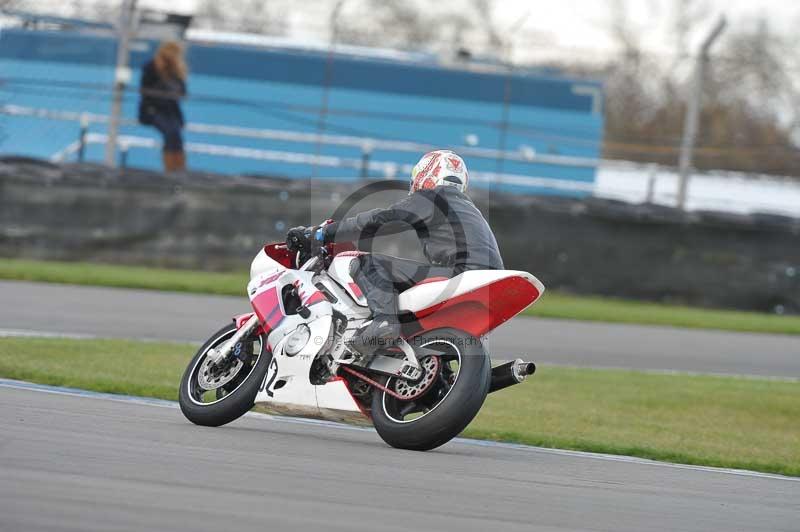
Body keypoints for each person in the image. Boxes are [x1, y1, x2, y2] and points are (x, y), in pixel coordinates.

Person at [287, 150, 504, 353]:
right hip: (489, 277)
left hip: (463, 273)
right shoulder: (469, 208)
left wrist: (323, 233)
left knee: (366, 264)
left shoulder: (432, 197)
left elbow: (380, 221)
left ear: (427, 174)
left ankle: (384, 322)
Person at [138, 41, 188, 173]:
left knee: (176, 136)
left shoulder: (176, 71)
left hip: (170, 111)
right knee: (170, 132)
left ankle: (179, 168)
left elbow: (182, 92)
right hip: (153, 110)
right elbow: (145, 92)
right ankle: (171, 169)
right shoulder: (151, 67)